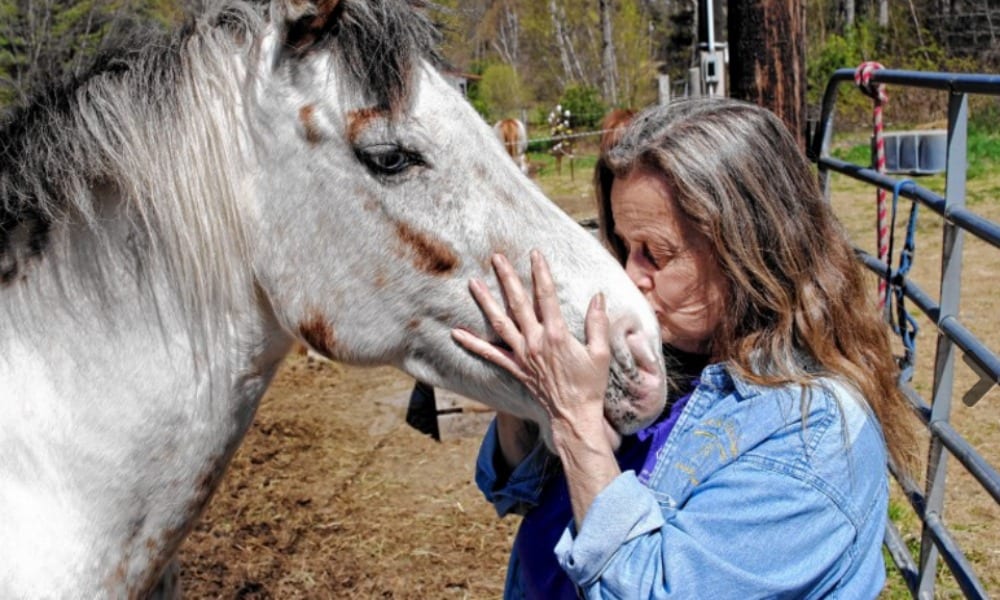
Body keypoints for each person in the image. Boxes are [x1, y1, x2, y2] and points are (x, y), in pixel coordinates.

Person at [450, 97, 918, 599]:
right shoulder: (675, 354)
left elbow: (656, 589)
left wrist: (575, 419)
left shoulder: (815, 437)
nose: (631, 278)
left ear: (749, 250)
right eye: (624, 248)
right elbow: (517, 490)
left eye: (655, 254)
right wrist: (526, 382)